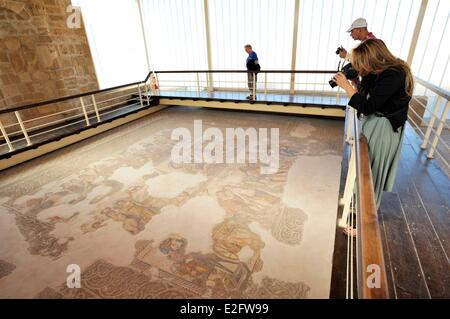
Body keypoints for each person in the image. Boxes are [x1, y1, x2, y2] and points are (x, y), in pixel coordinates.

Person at [332, 39, 414, 236]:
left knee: (372, 176)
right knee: (364, 169)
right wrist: (356, 82)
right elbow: (368, 97)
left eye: (361, 63)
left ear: (373, 59)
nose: (360, 68)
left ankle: (364, 225)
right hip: (375, 125)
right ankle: (357, 205)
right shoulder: (381, 73)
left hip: (383, 128)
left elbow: (368, 106)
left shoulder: (393, 75)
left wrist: (346, 87)